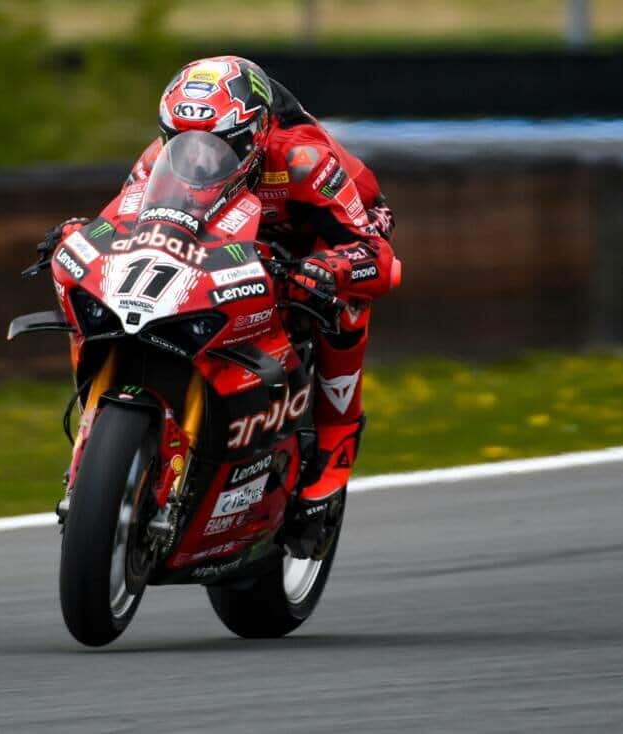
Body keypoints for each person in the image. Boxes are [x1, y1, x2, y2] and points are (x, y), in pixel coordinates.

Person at [43, 56, 400, 559]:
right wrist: (80, 234)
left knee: (341, 306)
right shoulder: (158, 157)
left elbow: (378, 257)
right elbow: (126, 221)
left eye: (218, 146)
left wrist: (331, 268)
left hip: (327, 231)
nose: (199, 159)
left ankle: (333, 452)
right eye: (182, 142)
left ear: (255, 133)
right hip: (235, 242)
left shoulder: (302, 158)